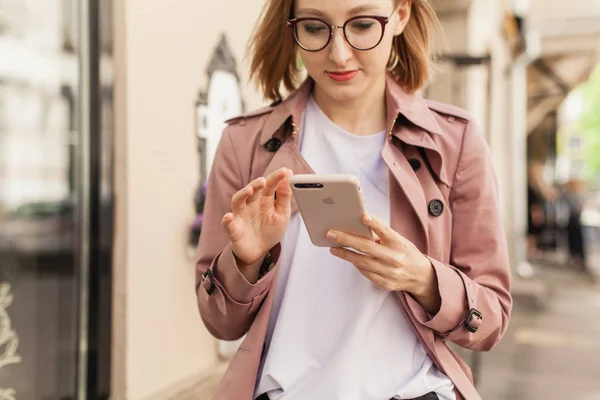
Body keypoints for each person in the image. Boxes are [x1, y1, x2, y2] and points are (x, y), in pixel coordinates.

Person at [195, 0, 512, 399]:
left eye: (362, 25)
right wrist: (245, 260)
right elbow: (219, 323)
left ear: (400, 15)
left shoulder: (453, 142)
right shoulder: (245, 143)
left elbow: (492, 318)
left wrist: (423, 278)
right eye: (314, 28)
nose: (338, 53)